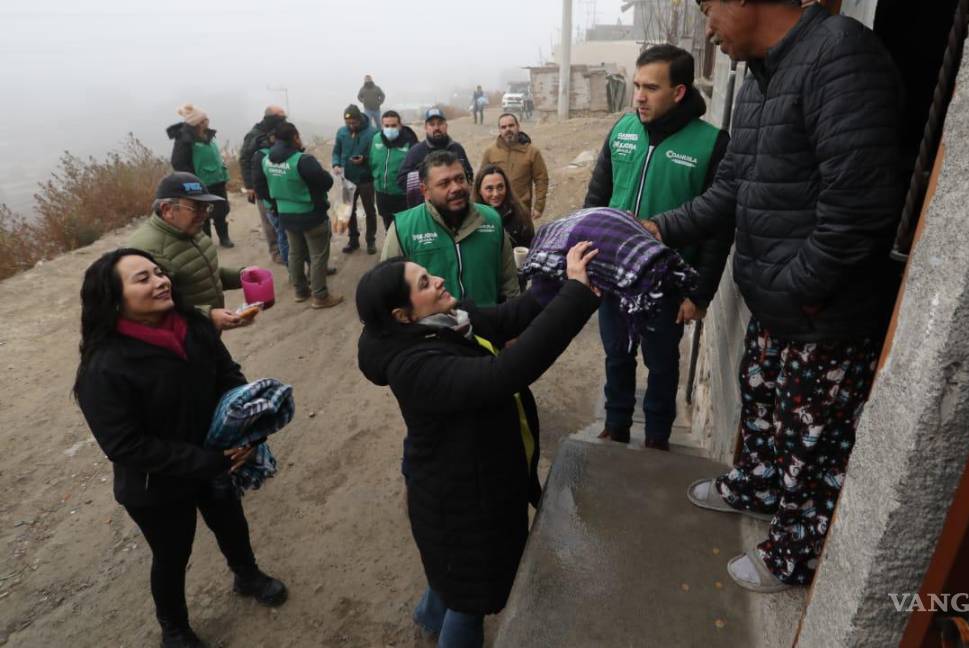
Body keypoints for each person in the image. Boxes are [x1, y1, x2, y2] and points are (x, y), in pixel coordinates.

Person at [644, 0, 905, 592]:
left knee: (807, 447)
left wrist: (798, 294)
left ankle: (794, 554)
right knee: (762, 412)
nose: (707, 26)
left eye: (710, 8)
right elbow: (730, 189)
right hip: (778, 304)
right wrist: (658, 228)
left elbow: (858, 214)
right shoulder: (758, 80)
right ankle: (753, 486)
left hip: (822, 315)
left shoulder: (840, 56)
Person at [356, 242, 601, 648]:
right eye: (424, 283)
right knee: (470, 600)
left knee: (451, 579)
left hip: (470, 480)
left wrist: (555, 281)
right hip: (458, 503)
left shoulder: (449, 321)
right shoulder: (415, 367)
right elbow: (504, 372)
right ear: (403, 315)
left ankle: (428, 618)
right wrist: (574, 296)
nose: (438, 280)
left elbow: (508, 317)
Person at [74, 248, 287, 648]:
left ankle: (247, 574)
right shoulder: (103, 368)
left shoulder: (193, 325)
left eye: (159, 272)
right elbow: (125, 445)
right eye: (143, 278)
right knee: (172, 554)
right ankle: (174, 627)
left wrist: (244, 428)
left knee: (231, 523)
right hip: (158, 484)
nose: (160, 282)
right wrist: (205, 461)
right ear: (114, 297)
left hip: (218, 459)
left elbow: (228, 375)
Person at [583, 44, 732, 451]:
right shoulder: (622, 131)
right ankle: (615, 426)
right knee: (616, 354)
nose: (639, 97)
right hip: (614, 274)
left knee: (662, 363)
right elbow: (596, 201)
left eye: (651, 87)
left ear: (679, 92)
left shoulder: (712, 144)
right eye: (636, 86)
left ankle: (657, 438)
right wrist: (587, 262)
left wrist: (699, 294)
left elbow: (719, 228)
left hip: (667, 281)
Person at [381, 151, 520, 306]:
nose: (456, 188)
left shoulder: (491, 219)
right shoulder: (403, 228)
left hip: (488, 325)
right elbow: (388, 291)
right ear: (425, 191)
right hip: (432, 328)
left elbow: (509, 281)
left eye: (460, 179)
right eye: (444, 183)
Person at [126, 173, 249, 332]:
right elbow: (151, 309)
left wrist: (243, 276)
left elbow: (200, 275)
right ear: (167, 209)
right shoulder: (147, 251)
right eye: (197, 208)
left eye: (206, 207)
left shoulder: (191, 229)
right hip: (179, 341)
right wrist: (208, 316)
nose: (204, 215)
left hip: (203, 331)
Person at [255, 121, 344, 309]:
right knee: (318, 255)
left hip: (285, 214)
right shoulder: (302, 160)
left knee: (295, 252)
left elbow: (261, 186)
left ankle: (300, 291)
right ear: (295, 137)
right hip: (310, 214)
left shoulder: (266, 160)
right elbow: (326, 182)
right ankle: (320, 295)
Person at [168, 105, 233, 248]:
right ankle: (206, 242)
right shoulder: (185, 140)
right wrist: (191, 182)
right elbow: (178, 163)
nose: (208, 121)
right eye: (205, 119)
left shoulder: (208, 135)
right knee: (201, 214)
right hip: (199, 183)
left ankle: (224, 238)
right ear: (198, 122)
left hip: (217, 181)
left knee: (221, 211)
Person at [239, 106, 288, 264]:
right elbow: (244, 159)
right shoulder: (254, 136)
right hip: (261, 184)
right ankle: (276, 252)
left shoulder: (279, 131)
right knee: (269, 220)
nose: (284, 119)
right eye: (281, 117)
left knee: (282, 218)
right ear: (270, 117)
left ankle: (287, 247)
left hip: (279, 181)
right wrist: (250, 186)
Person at [479, 113, 549, 221]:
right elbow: (481, 181)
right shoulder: (490, 152)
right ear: (499, 130)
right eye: (503, 127)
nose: (508, 129)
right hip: (495, 211)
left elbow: (541, 179)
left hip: (522, 210)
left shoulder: (532, 152)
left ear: (518, 126)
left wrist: (539, 207)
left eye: (511, 126)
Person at [397, 108, 474, 206]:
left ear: (446, 126)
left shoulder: (457, 148)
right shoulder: (416, 151)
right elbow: (401, 179)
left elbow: (469, 175)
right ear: (426, 127)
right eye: (432, 124)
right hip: (427, 208)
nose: (436, 128)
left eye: (440, 123)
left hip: (456, 205)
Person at [332, 105, 379, 254]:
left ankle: (370, 240)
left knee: (369, 210)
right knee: (347, 210)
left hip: (366, 179)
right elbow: (336, 151)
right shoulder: (341, 132)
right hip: (348, 178)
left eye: (354, 122)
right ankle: (353, 240)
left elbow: (377, 154)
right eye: (348, 123)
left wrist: (364, 159)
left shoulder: (372, 133)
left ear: (360, 119)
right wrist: (336, 164)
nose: (351, 125)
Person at [369, 110, 419, 234]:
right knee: (389, 227)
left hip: (402, 195)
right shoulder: (376, 139)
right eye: (386, 126)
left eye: (393, 125)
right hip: (382, 193)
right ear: (382, 126)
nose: (390, 129)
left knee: (405, 228)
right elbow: (372, 160)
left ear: (400, 125)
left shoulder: (410, 142)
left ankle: (405, 251)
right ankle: (392, 250)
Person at [472, 164, 533, 249]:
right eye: (489, 189)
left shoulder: (521, 215)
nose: (496, 194)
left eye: (500, 187)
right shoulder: (470, 218)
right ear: (479, 190)